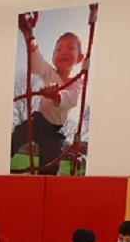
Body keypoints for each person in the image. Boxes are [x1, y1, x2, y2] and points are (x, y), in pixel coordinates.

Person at [10, 17, 85, 175]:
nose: (63, 52)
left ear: (80, 58)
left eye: (70, 48)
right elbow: (35, 61)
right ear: (53, 59)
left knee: (52, 158)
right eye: (58, 49)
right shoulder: (49, 72)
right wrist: (28, 34)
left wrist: (57, 95)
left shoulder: (77, 81)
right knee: (18, 133)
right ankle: (1, 160)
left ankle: (46, 180)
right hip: (38, 120)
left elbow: (72, 99)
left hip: (55, 130)